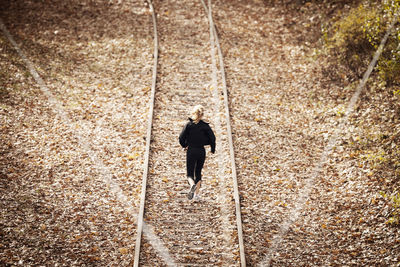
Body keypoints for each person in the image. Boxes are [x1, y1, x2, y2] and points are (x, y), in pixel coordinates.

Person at [179, 105, 216, 200]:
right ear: (202, 114)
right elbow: (212, 138)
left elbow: (181, 137)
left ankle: (192, 185)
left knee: (190, 173)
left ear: (193, 113)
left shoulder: (188, 125)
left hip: (191, 150)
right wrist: (212, 149)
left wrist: (184, 145)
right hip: (201, 151)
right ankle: (196, 195)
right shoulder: (205, 126)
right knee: (198, 172)